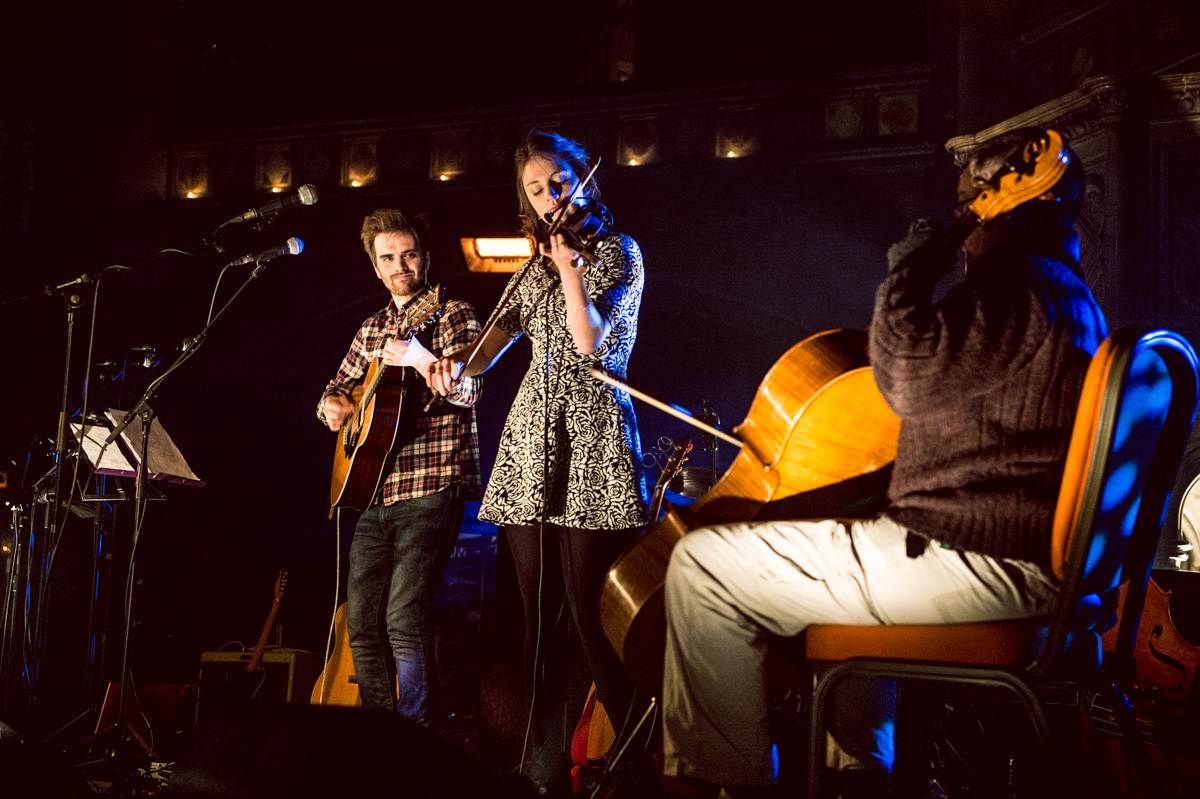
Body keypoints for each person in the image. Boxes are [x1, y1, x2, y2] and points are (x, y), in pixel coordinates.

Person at [659, 129, 1108, 797]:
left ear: (996, 203)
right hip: (1032, 563)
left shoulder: (1016, 287)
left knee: (701, 567)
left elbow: (902, 376)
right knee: (846, 586)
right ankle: (860, 776)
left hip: (981, 559)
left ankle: (723, 783)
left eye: (967, 203)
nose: (964, 223)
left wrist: (911, 271)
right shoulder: (1070, 297)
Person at [427, 131, 650, 794]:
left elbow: (591, 344)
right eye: (535, 189)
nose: (550, 196)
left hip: (595, 442)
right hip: (530, 444)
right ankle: (541, 772)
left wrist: (571, 271)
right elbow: (484, 355)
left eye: (559, 182)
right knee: (539, 628)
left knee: (593, 624)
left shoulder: (617, 252)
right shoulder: (530, 270)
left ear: (584, 181)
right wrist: (453, 370)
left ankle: (641, 771)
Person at [318, 208, 482, 724]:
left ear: (426, 258)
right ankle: (380, 735)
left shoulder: (455, 314)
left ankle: (413, 740)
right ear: (375, 267)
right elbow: (334, 390)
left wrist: (416, 357)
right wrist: (334, 408)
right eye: (387, 257)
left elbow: (469, 388)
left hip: (431, 484)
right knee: (361, 624)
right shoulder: (370, 328)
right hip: (372, 491)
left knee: (402, 618)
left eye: (408, 254)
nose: (399, 265)